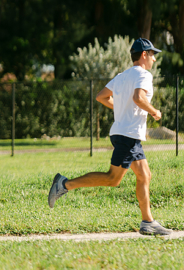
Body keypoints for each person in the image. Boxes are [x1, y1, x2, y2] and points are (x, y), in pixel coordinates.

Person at [48, 37, 172, 236]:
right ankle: (64, 184)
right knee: (113, 179)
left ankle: (147, 221)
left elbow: (101, 97)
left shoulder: (122, 76)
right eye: (152, 55)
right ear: (143, 55)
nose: (154, 60)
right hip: (128, 135)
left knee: (144, 175)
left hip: (124, 134)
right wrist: (154, 111)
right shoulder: (144, 75)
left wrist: (121, 108)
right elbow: (138, 98)